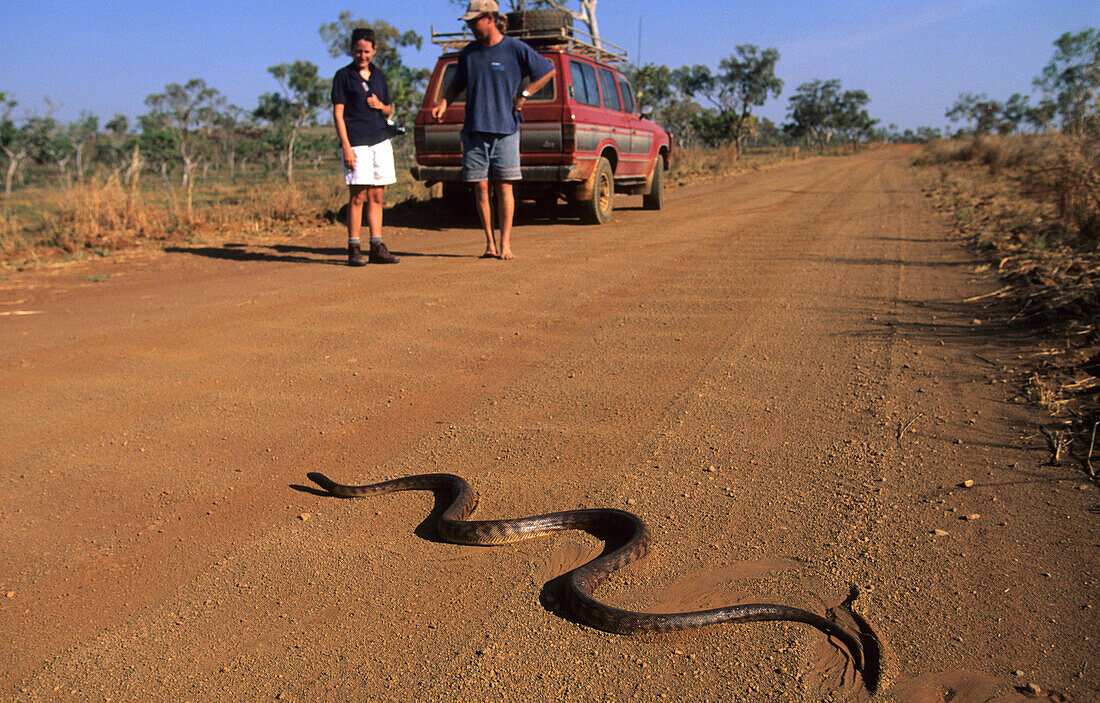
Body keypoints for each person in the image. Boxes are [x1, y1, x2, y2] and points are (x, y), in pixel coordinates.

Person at [431, 0, 555, 260]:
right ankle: (489, 242)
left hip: (506, 129)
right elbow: (456, 84)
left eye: (474, 21)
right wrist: (443, 102)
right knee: (480, 187)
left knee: (505, 187)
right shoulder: (468, 54)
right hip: (475, 129)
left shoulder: (514, 49)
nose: (471, 26)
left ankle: (506, 243)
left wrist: (524, 93)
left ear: (490, 18)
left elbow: (547, 70)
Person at [332, 27, 400, 266]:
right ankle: (353, 247)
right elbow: (338, 114)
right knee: (358, 195)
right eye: (358, 51)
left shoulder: (379, 75)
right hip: (357, 142)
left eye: (367, 51)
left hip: (380, 139)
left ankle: (376, 245)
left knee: (377, 195)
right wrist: (346, 147)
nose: (363, 56)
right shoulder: (343, 76)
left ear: (375, 50)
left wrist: (380, 105)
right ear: (352, 50)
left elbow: (389, 109)